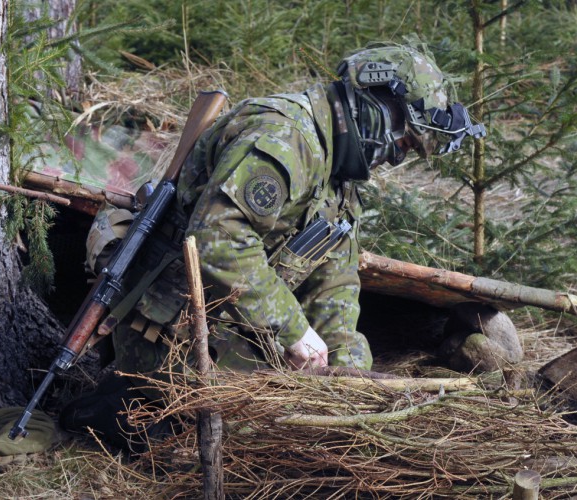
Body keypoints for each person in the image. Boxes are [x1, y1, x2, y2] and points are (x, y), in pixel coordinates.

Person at [60, 43, 485, 450]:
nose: (396, 157)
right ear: (378, 107)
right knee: (255, 434)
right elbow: (218, 240)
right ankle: (117, 405)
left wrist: (351, 372)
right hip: (173, 324)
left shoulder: (338, 173)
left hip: (236, 318)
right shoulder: (284, 137)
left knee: (317, 424)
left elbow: (333, 283)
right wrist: (295, 332)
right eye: (405, 141)